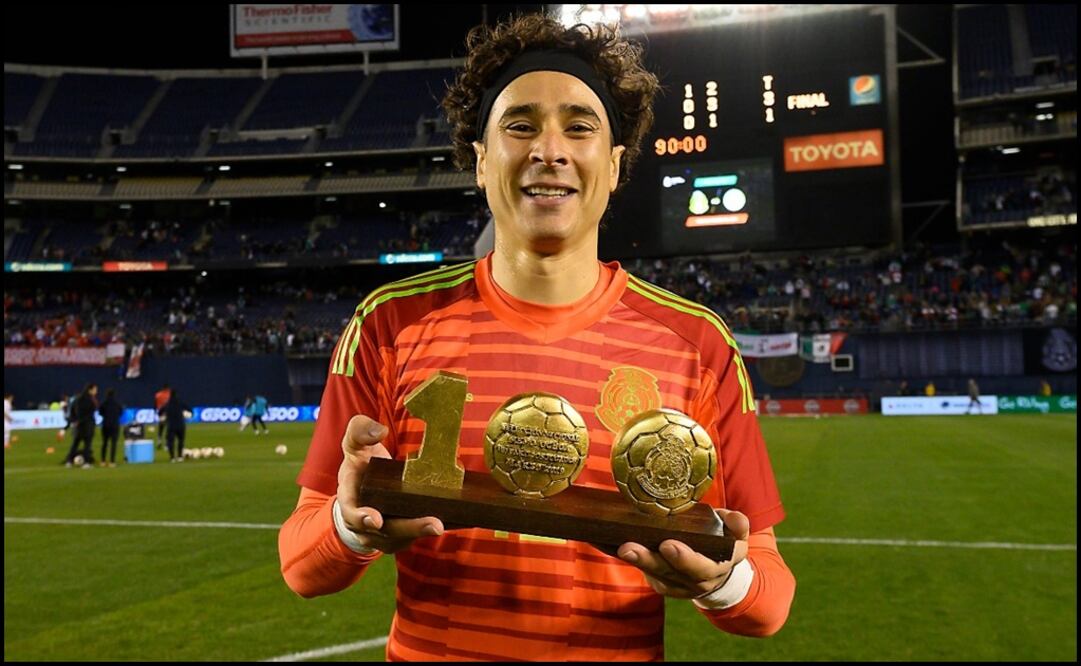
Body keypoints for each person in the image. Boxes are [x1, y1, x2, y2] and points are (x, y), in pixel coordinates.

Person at [278, 14, 794, 662]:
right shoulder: (389, 324)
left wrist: (723, 583)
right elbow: (302, 563)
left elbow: (769, 596)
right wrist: (349, 529)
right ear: (480, 160)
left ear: (614, 165)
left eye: (579, 127)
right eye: (520, 125)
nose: (549, 149)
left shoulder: (697, 343)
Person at [64, 383, 98, 468]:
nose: (96, 392)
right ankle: (86, 462)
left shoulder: (77, 399)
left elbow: (72, 411)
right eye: (95, 390)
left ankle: (69, 461)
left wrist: (75, 420)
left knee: (75, 443)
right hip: (88, 425)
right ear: (90, 390)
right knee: (87, 444)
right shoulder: (90, 400)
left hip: (78, 425)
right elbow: (92, 411)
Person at [158, 389, 191, 463]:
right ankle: (180, 457)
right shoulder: (181, 403)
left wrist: (164, 416)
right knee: (181, 441)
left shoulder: (167, 404)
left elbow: (160, 412)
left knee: (171, 442)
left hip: (171, 425)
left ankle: (172, 458)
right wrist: (186, 415)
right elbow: (190, 410)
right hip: (181, 425)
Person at [97, 388, 124, 467]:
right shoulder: (117, 404)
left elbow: (100, 412)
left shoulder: (103, 403)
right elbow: (121, 413)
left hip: (106, 424)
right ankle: (112, 461)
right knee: (113, 443)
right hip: (115, 425)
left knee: (104, 443)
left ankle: (103, 461)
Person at [154, 384, 172, 449]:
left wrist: (156, 411)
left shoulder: (158, 395)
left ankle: (159, 440)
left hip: (161, 413)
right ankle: (166, 444)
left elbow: (155, 404)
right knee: (168, 428)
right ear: (167, 388)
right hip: (168, 413)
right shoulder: (170, 395)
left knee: (161, 427)